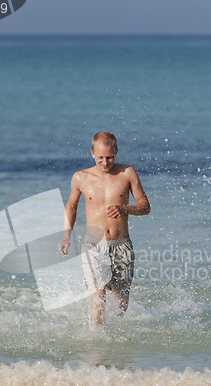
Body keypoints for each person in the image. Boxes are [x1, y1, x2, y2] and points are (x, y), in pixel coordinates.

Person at [58, 132, 151, 324]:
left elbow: (145, 206)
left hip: (122, 245)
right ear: (92, 153)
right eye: (100, 157)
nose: (105, 162)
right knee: (98, 299)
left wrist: (126, 209)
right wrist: (66, 236)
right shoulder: (80, 178)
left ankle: (116, 351)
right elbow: (71, 207)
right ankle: (97, 349)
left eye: (109, 157)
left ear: (116, 152)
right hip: (94, 245)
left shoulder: (127, 173)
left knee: (121, 305)